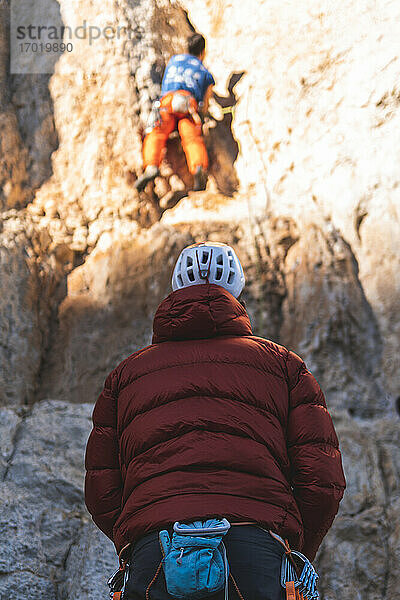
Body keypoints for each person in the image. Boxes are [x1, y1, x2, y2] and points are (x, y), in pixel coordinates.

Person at [85, 241, 346, 600]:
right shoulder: (284, 365)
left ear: (175, 288)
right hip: (256, 552)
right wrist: (293, 544)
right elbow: (322, 480)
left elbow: (102, 487)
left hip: (155, 554)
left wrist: (136, 533)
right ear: (237, 290)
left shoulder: (126, 376)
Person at [134, 33, 215, 193]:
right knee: (192, 138)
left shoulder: (174, 60)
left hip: (168, 102)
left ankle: (151, 166)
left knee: (156, 133)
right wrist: (203, 116)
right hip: (188, 103)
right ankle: (198, 167)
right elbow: (206, 100)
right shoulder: (204, 71)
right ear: (203, 52)